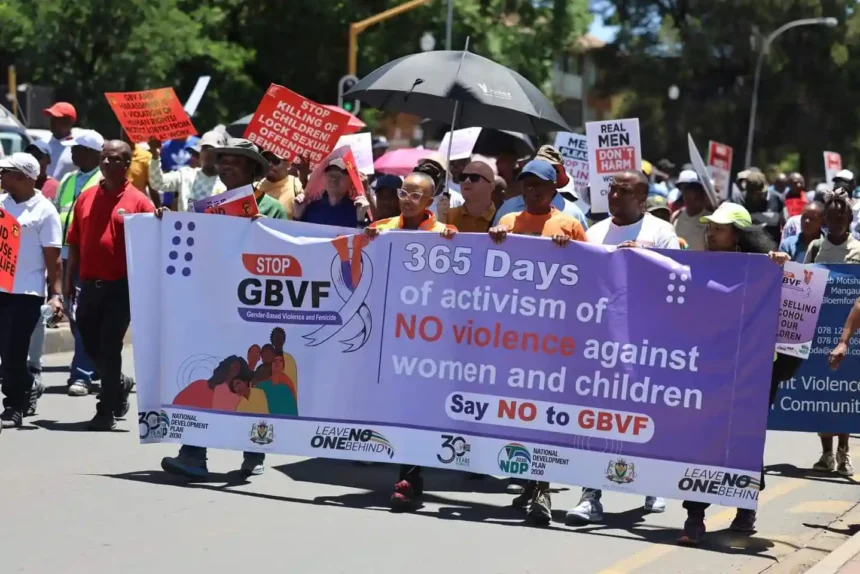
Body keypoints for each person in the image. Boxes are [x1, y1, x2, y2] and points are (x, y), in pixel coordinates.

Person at [678, 202, 801, 544]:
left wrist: (781, 267)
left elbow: (796, 307)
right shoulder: (700, 266)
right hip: (708, 371)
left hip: (752, 374)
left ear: (739, 236)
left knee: (743, 439)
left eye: (719, 227)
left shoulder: (766, 269)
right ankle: (695, 514)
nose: (711, 232)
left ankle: (745, 509)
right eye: (710, 226)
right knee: (703, 439)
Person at [160, 138, 279, 479]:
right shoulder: (207, 207)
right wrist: (166, 223)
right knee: (209, 379)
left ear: (253, 171)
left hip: (253, 312)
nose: (226, 166)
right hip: (213, 308)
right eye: (223, 160)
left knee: (250, 384)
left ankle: (254, 448)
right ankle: (193, 454)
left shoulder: (271, 209)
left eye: (236, 162)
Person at [484, 159, 586, 524]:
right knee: (518, 413)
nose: (531, 190)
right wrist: (495, 242)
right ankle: (530, 482)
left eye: (538, 184)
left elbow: (591, 274)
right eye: (525, 184)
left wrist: (570, 250)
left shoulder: (569, 225)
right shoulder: (508, 223)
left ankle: (542, 489)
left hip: (553, 339)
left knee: (542, 413)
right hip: (514, 338)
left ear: (553, 189)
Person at [364, 171, 456, 511]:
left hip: (423, 340)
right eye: (404, 192)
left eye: (416, 195)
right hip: (386, 335)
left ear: (430, 202)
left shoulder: (445, 235)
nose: (407, 198)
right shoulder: (384, 229)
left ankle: (410, 476)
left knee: (417, 408)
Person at [64, 140, 154, 431]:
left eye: (114, 159)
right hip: (89, 285)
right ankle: (118, 383)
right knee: (89, 343)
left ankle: (106, 410)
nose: (106, 163)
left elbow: (153, 242)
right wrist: (68, 280)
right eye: (104, 158)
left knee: (109, 344)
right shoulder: (86, 197)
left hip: (122, 287)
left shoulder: (139, 201)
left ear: (126, 165)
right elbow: (74, 242)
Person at [0, 153, 63, 429]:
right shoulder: (1, 204)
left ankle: (13, 406)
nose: (1, 175)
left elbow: (53, 258)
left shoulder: (44, 211)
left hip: (27, 293)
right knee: (6, 352)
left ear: (24, 177)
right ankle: (29, 384)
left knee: (14, 351)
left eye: (6, 171)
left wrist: (56, 294)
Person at [804, 189, 860, 476]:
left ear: (850, 218)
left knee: (846, 396)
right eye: (832, 215)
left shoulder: (859, 250)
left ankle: (844, 453)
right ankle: (826, 454)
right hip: (818, 334)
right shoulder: (815, 248)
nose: (837, 219)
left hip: (851, 337)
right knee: (821, 394)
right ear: (824, 219)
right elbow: (802, 286)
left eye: (842, 215)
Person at [55, 130, 104, 396]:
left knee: (82, 316)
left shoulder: (103, 181)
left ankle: (82, 375)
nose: (72, 153)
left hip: (88, 259)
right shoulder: (67, 179)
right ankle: (93, 362)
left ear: (95, 154)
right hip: (64, 256)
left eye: (79, 149)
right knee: (75, 317)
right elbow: (56, 212)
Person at [493, 146, 588, 230]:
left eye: (543, 172)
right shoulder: (507, 209)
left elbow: (584, 249)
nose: (535, 177)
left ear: (554, 180)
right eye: (531, 171)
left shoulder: (574, 215)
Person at [148, 131, 226, 212]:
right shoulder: (185, 175)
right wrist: (155, 157)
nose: (207, 153)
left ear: (221, 155)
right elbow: (157, 183)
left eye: (212, 150)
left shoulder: (228, 182)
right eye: (204, 149)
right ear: (199, 152)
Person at [295, 158, 364, 226]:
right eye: (330, 174)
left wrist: (361, 221)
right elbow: (295, 234)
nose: (333, 179)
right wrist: (297, 216)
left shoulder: (359, 210)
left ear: (351, 180)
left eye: (340, 175)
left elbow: (365, 236)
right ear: (324, 177)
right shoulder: (310, 208)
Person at [445, 161, 497, 232]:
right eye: (463, 177)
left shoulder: (502, 217)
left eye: (474, 177)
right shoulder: (448, 216)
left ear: (491, 186)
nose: (467, 181)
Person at [734, 171, 783, 243]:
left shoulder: (775, 198)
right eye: (751, 193)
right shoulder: (737, 199)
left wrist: (751, 217)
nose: (755, 197)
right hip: (744, 245)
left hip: (770, 246)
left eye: (759, 194)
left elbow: (777, 219)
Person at [670, 170, 711, 251]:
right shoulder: (676, 216)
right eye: (687, 196)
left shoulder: (709, 219)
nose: (692, 200)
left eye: (696, 197)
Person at [258, 150, 302, 219]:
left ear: (288, 165)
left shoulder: (297, 186)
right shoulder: (255, 186)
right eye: (266, 161)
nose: (269, 164)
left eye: (275, 161)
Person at [42, 102, 77, 180]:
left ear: (68, 122)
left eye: (57, 118)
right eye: (52, 118)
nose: (52, 122)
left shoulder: (78, 147)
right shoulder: (42, 144)